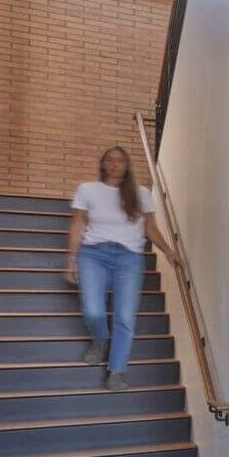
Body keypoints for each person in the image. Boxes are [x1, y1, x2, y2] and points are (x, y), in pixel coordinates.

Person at [65, 146, 182, 390]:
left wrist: (168, 250)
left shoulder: (140, 194)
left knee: (125, 318)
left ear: (127, 165)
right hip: (93, 255)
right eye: (109, 160)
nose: (114, 164)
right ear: (103, 164)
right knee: (93, 311)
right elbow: (77, 224)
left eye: (119, 161)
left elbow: (150, 228)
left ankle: (116, 371)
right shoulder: (88, 190)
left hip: (129, 258)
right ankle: (101, 341)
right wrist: (71, 259)